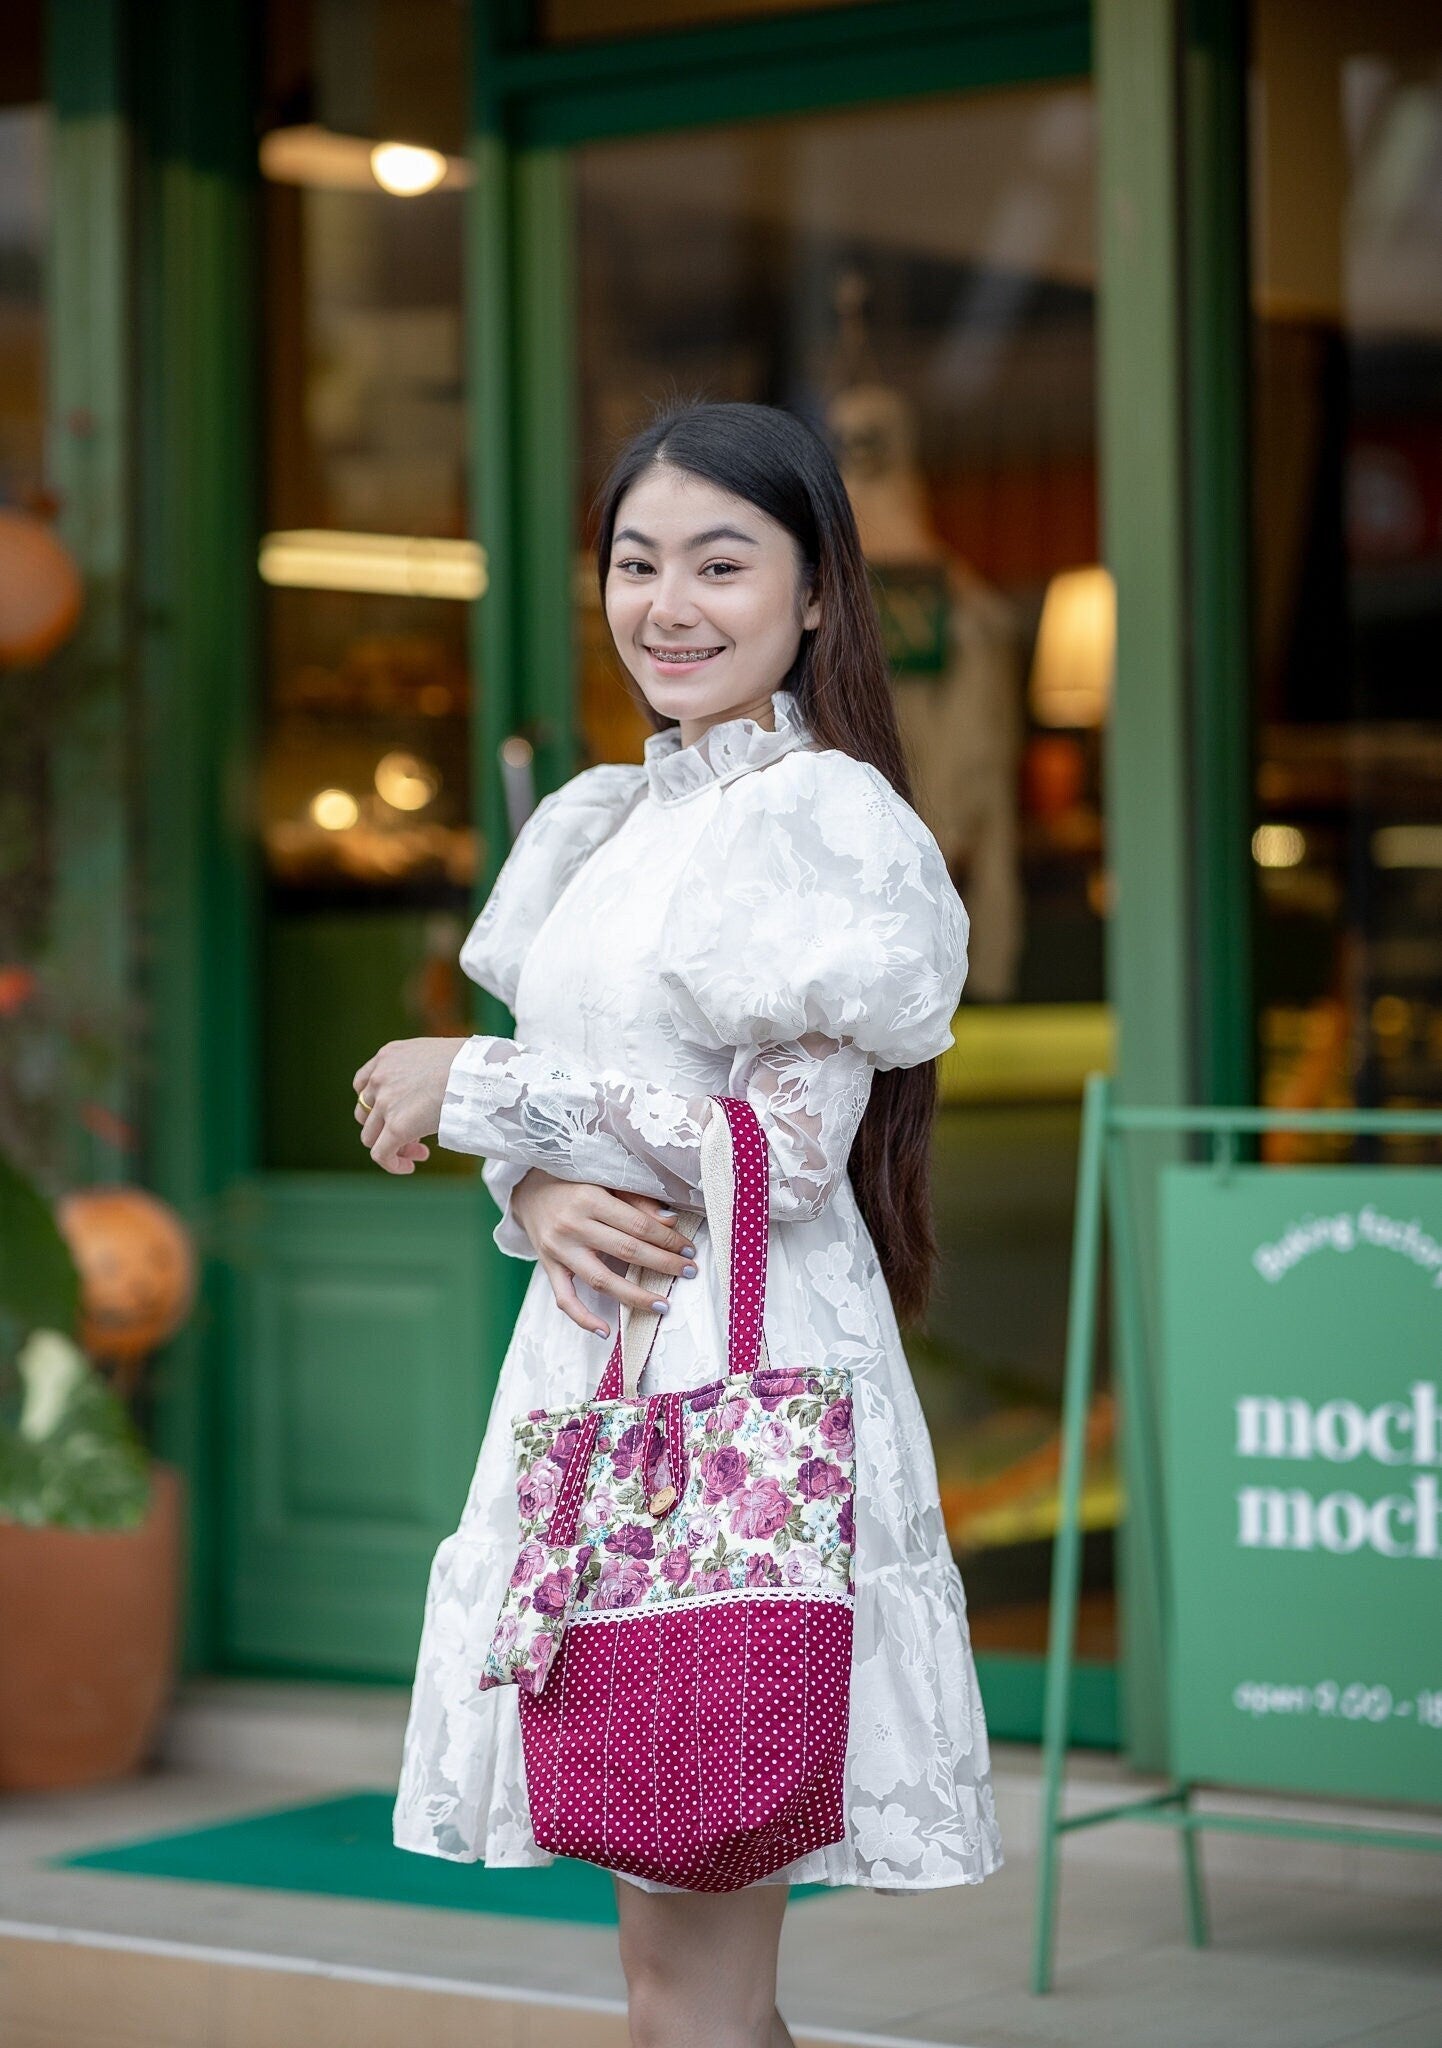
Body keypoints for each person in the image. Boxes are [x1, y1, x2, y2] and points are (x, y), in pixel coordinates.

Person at [356, 399, 1002, 2048]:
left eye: (722, 562)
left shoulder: (821, 817)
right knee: (672, 1986)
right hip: (603, 1383)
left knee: (693, 1989)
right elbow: (606, 1118)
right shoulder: (601, 820)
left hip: (731, 1396)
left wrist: (482, 1089)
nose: (668, 603)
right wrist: (536, 1177)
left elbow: (780, 1150)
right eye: (636, 563)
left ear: (813, 596)